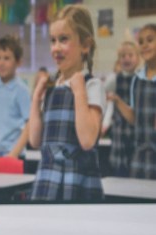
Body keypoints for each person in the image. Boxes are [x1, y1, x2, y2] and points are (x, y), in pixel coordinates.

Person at [27, 4, 106, 201]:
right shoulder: (52, 87)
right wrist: (36, 99)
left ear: (85, 45)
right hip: (47, 177)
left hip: (77, 179)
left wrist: (79, 91)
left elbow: (87, 140)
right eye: (53, 40)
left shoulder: (92, 85)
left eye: (64, 39)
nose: (56, 48)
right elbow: (35, 141)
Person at [108, 23, 156, 179]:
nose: (145, 45)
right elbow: (134, 118)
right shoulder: (137, 80)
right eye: (141, 42)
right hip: (140, 153)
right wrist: (117, 101)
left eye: (150, 40)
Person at [101, 41, 141, 177]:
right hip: (119, 135)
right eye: (123, 56)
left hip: (136, 136)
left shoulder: (141, 80)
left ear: (138, 58)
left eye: (130, 55)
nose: (127, 58)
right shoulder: (113, 80)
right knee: (120, 173)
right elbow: (103, 97)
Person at [0, 34, 31, 158]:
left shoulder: (21, 90)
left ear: (18, 62)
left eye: (7, 58)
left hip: (12, 154)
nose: (1, 63)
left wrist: (13, 154)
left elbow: (29, 124)